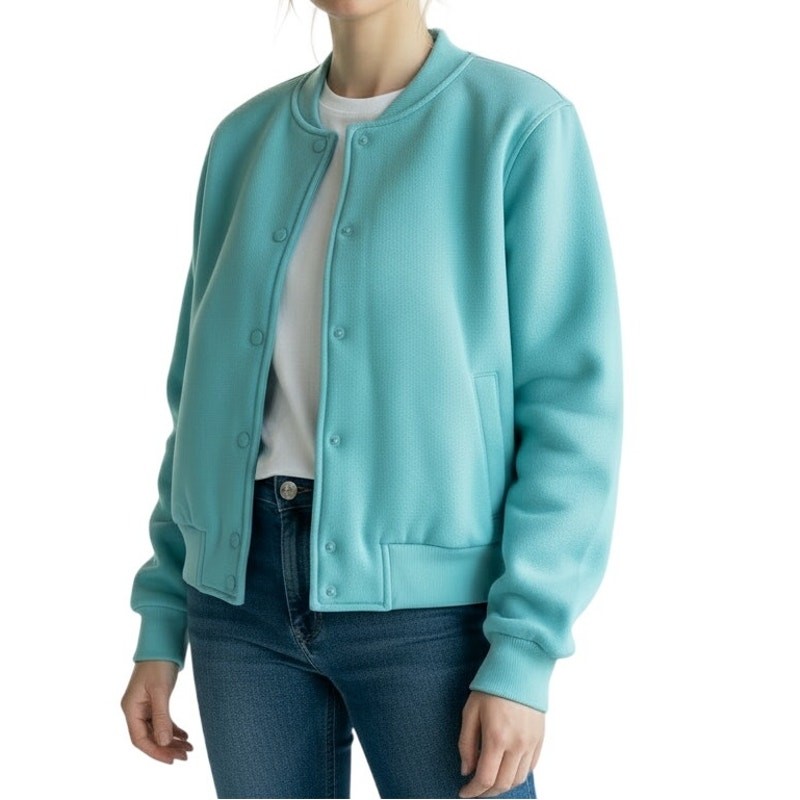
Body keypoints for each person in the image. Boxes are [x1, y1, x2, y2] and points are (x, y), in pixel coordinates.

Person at [120, 1, 624, 797]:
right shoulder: (242, 141)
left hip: (435, 617)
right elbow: (199, 403)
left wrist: (525, 651)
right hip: (238, 602)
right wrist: (163, 616)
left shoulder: (517, 124)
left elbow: (572, 406)